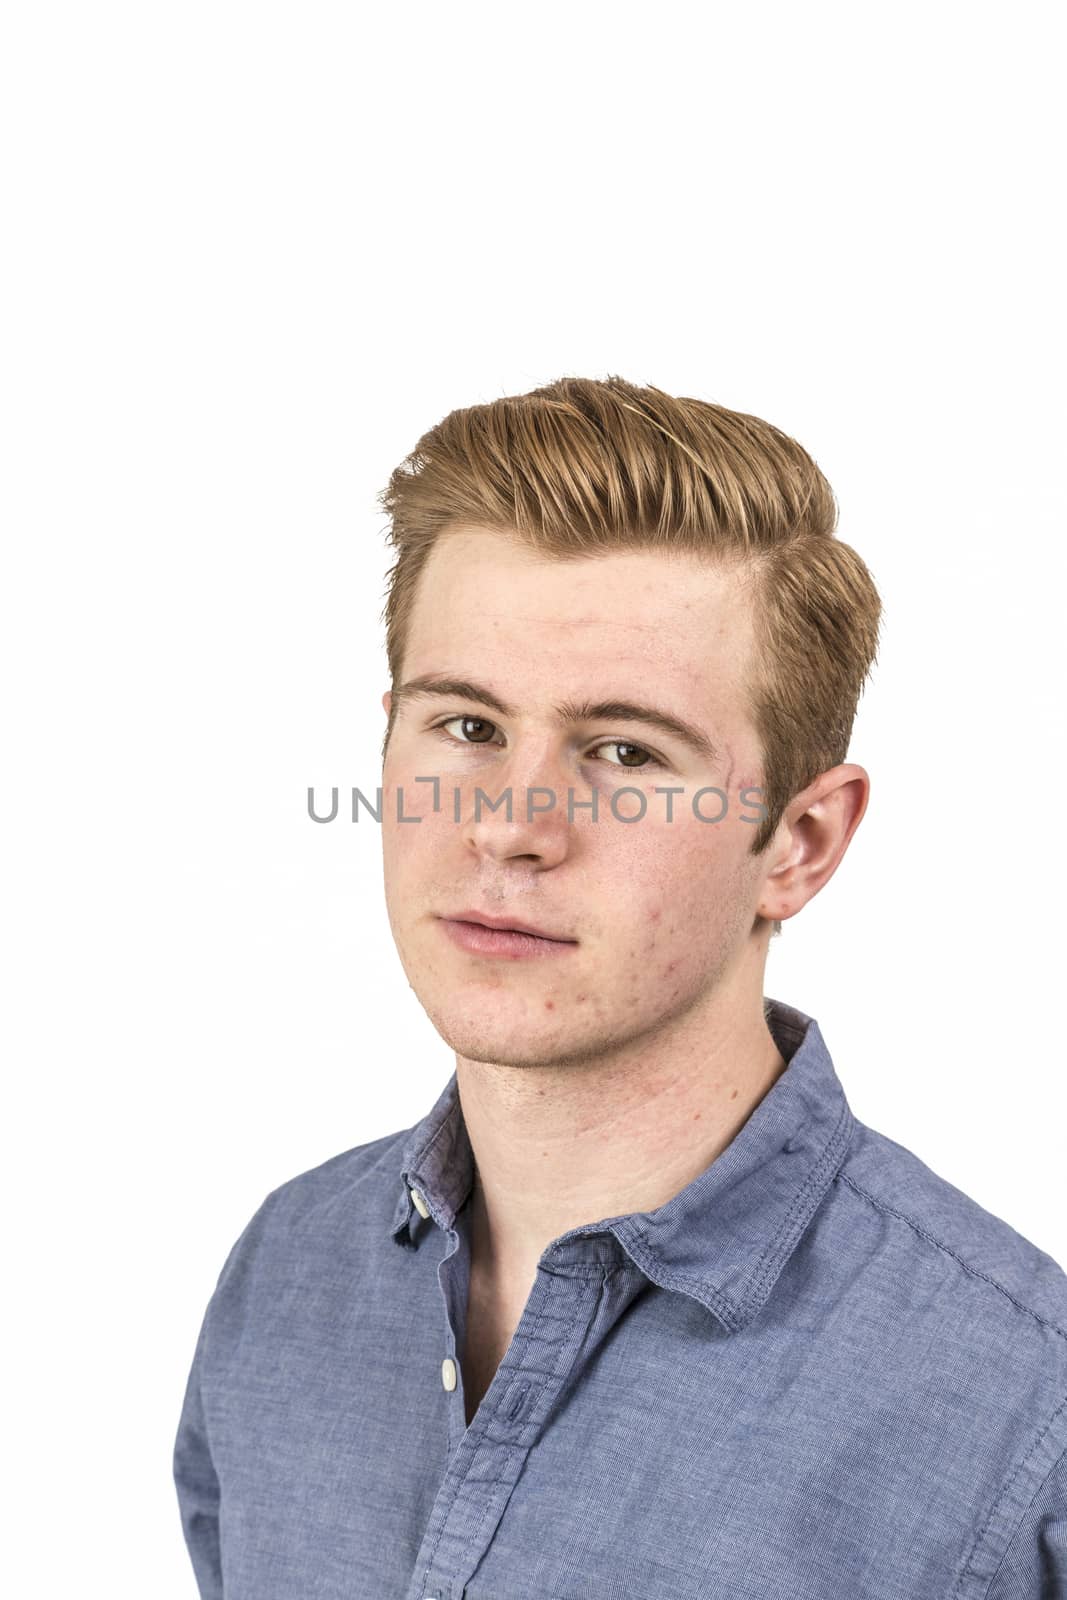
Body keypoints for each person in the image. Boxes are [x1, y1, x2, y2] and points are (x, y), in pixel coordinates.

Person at [173, 376, 1067, 1599]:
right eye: (468, 728)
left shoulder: (1023, 1412)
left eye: (623, 751)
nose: (508, 827)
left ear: (797, 844)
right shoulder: (288, 1272)